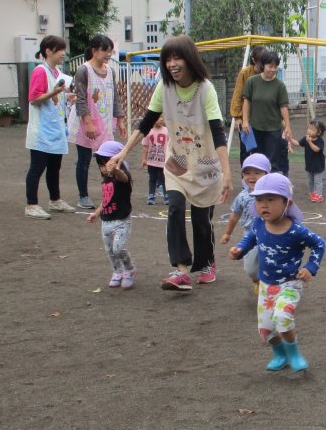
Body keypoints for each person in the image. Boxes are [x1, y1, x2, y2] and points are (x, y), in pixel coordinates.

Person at [105, 35, 232, 292]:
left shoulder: (206, 89)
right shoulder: (164, 88)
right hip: (178, 161)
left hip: (206, 165)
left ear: (190, 59)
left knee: (201, 220)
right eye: (168, 59)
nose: (172, 64)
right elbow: (145, 123)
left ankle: (206, 261)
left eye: (177, 58)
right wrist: (124, 153)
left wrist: (227, 173)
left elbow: (218, 132)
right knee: (174, 207)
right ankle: (182, 269)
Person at [229, 173, 326, 373]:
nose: (264, 205)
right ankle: (280, 354)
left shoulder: (296, 231)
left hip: (290, 283)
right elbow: (250, 238)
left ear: (287, 202)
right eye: (259, 200)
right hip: (266, 286)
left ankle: (294, 353)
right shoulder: (258, 224)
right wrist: (240, 249)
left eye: (271, 200)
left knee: (282, 317)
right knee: (265, 330)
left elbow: (319, 244)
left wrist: (310, 267)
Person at [24, 35, 75, 220]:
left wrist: (66, 96)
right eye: (60, 50)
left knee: (54, 167)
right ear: (48, 51)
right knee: (37, 167)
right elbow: (34, 99)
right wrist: (54, 92)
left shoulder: (57, 72)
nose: (63, 53)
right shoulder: (40, 71)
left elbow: (52, 97)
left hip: (55, 128)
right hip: (42, 129)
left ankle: (55, 200)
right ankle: (31, 204)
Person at [74, 34, 126, 209]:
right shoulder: (83, 70)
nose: (108, 55)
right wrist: (87, 122)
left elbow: (115, 97)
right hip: (87, 123)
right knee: (84, 160)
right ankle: (83, 196)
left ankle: (110, 193)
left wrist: (120, 120)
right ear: (94, 51)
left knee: (107, 160)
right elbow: (81, 98)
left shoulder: (110, 71)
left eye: (110, 51)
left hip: (105, 123)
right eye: (105, 50)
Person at [87, 140, 137, 287]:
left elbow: (123, 176)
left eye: (106, 162)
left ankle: (129, 269)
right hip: (106, 221)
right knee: (110, 251)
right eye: (101, 165)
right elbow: (106, 200)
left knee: (118, 248)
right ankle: (117, 271)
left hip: (121, 221)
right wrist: (96, 213)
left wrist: (115, 169)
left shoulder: (122, 179)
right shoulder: (106, 181)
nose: (104, 168)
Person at [221, 153, 272, 294]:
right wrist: (227, 233)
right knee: (250, 268)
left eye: (257, 172)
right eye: (247, 173)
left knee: (272, 262)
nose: (251, 176)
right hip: (250, 234)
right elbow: (235, 215)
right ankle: (256, 279)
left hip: (271, 233)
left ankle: (274, 286)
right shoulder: (243, 196)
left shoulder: (273, 194)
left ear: (267, 173)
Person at [241, 49, 291, 175]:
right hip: (256, 127)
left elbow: (283, 107)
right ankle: (257, 187)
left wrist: (288, 126)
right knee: (256, 159)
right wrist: (245, 121)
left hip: (273, 129)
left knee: (272, 161)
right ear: (263, 65)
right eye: (270, 66)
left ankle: (271, 188)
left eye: (275, 67)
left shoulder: (280, 86)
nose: (273, 69)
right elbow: (246, 102)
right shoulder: (252, 82)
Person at [229, 45, 266, 165]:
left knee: (260, 152)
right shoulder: (245, 73)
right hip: (247, 120)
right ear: (254, 60)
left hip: (261, 119)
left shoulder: (267, 72)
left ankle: (260, 180)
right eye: (261, 61)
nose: (263, 65)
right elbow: (238, 95)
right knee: (245, 150)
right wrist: (238, 118)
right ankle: (246, 179)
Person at [293, 119, 326, 202]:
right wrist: (289, 138)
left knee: (318, 181)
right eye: (308, 128)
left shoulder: (320, 141)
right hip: (309, 164)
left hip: (318, 165)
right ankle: (312, 193)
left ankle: (319, 195)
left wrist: (309, 142)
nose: (309, 131)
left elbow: (316, 149)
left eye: (312, 129)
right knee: (310, 181)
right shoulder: (306, 138)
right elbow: (297, 143)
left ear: (319, 133)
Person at [141, 114, 169, 205]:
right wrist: (144, 159)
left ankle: (166, 196)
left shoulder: (166, 131)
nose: (161, 119)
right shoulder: (149, 131)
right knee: (152, 179)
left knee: (164, 178)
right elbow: (145, 147)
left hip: (163, 161)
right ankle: (151, 196)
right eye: (158, 117)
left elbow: (170, 146)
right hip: (152, 161)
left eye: (162, 117)